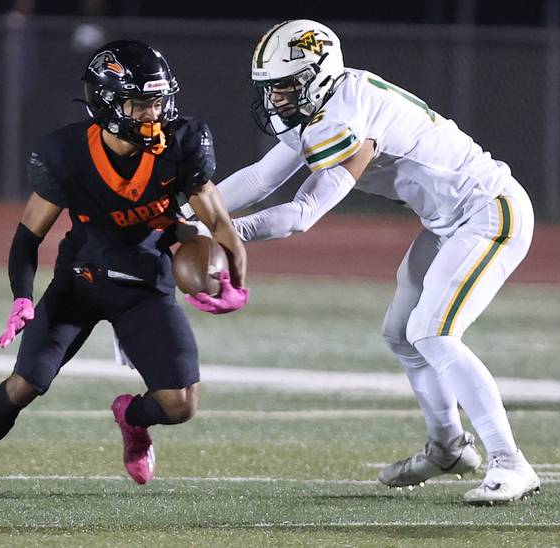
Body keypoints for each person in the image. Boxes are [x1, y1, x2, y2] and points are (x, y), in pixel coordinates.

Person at [183, 19, 539, 504]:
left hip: (488, 211)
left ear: (319, 75)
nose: (276, 99)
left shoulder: (347, 114)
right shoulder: (326, 105)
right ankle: (448, 447)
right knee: (402, 334)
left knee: (433, 332)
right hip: (447, 221)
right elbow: (260, 178)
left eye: (286, 87)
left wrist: (224, 231)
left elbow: (303, 215)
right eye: (271, 88)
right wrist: (185, 213)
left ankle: (510, 462)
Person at [0, 40, 248, 498]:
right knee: (25, 383)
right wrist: (21, 294)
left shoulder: (180, 146)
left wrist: (236, 281)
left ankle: (131, 418)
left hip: (145, 285)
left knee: (180, 405)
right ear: (108, 103)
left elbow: (219, 222)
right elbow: (27, 238)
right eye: (140, 104)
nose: (154, 114)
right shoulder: (68, 153)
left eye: (159, 102)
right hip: (83, 281)